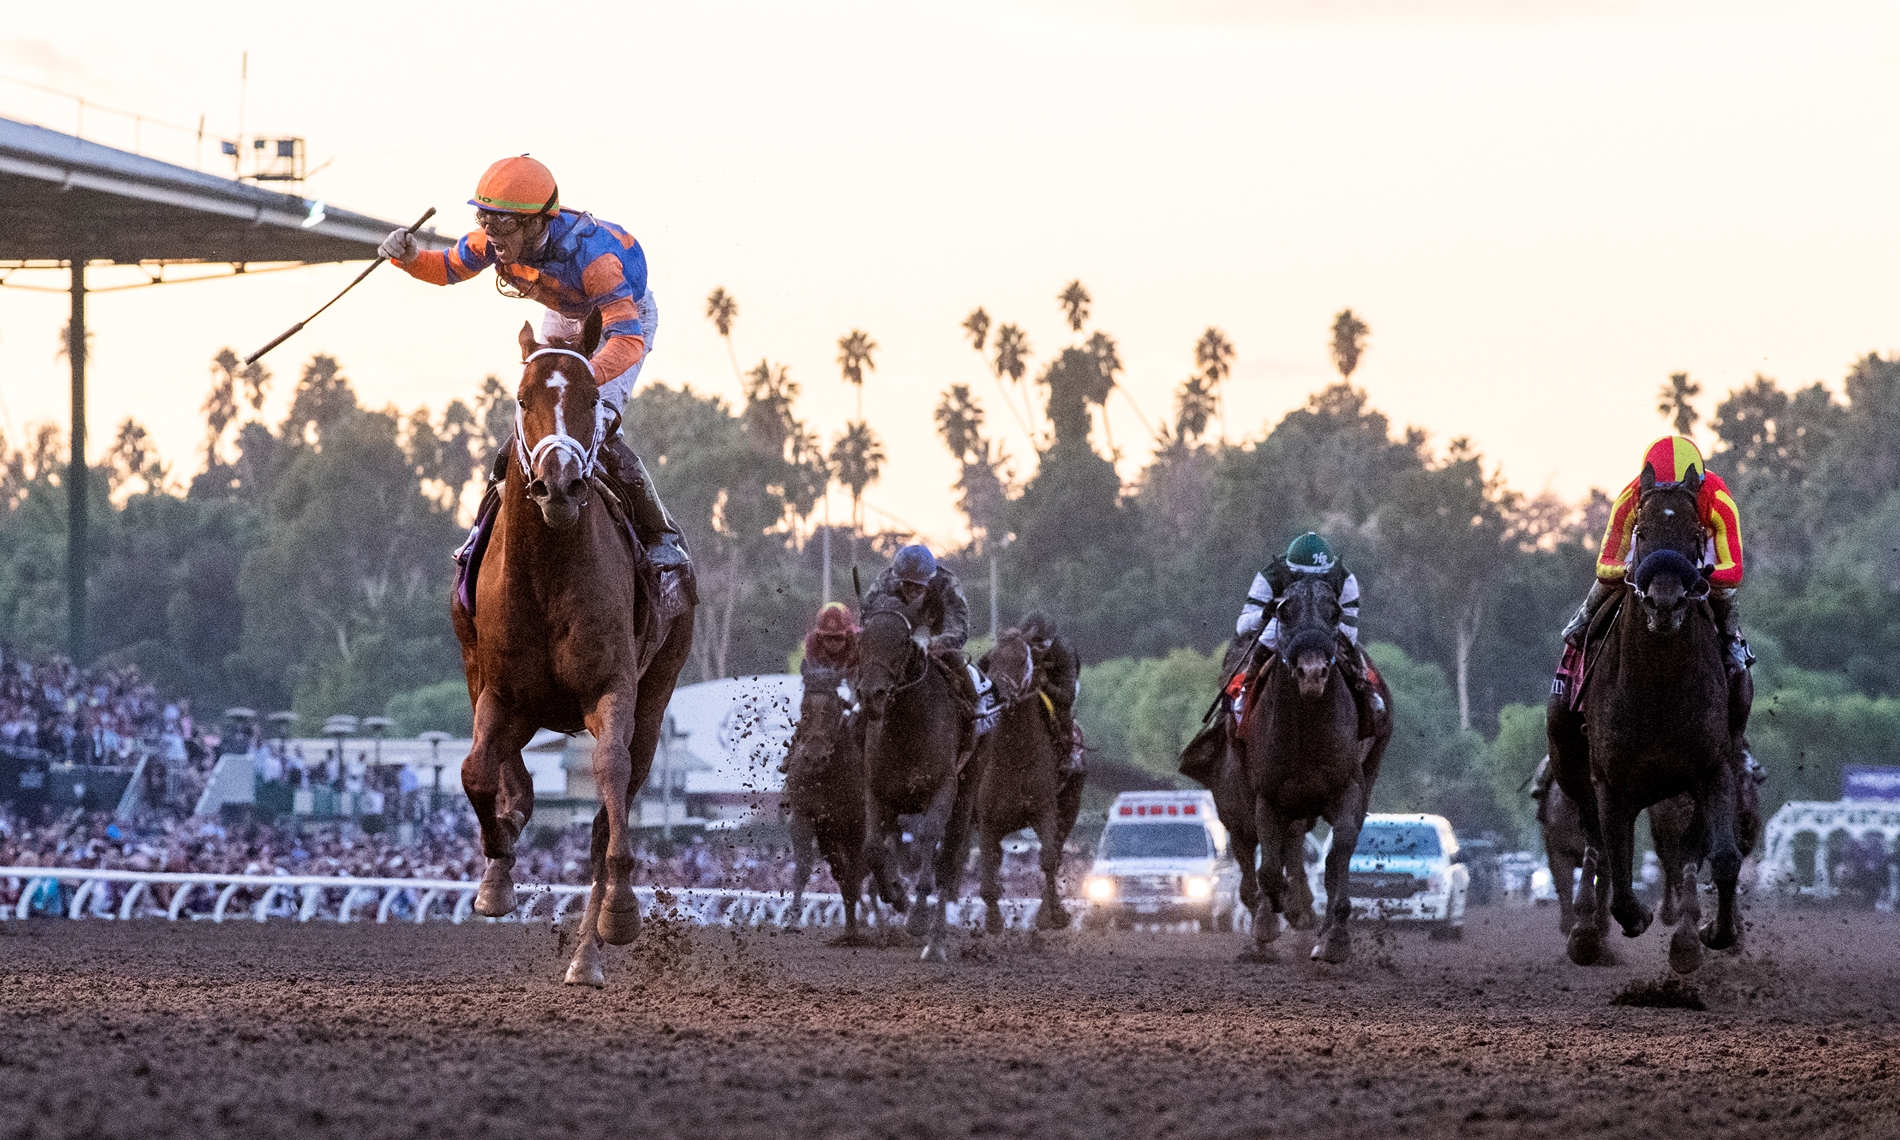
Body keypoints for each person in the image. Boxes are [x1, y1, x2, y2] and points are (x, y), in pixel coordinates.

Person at [379, 155, 688, 570]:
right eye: (485, 218)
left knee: (599, 422)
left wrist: (581, 380)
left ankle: (662, 535)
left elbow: (627, 339)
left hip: (624, 320)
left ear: (536, 222)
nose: (490, 233)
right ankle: (480, 534)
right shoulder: (494, 240)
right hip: (564, 309)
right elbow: (447, 268)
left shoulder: (596, 262)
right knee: (537, 416)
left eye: (501, 223)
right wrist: (410, 256)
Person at [1558, 434, 1748, 676]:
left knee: (1725, 591)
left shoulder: (1718, 499)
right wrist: (1625, 570)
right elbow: (1604, 565)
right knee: (1608, 582)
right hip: (1649, 545)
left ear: (1696, 484)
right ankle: (1582, 622)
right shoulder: (1630, 498)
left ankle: (1732, 642)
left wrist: (1698, 575)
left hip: (1697, 541)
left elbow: (1734, 571)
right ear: (1647, 485)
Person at [1233, 532, 1385, 735]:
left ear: (1329, 572)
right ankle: (1246, 692)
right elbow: (1242, 625)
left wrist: (1319, 633)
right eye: (1302, 577)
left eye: (1320, 578)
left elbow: (1349, 630)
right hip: (1285, 622)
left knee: (1350, 648)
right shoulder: (1270, 576)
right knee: (1265, 641)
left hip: (1326, 624)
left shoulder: (1345, 579)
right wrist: (1264, 613)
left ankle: (1366, 690)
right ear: (1290, 571)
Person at [861, 545, 979, 753]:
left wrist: (938, 642)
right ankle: (858, 713)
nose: (911, 592)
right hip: (896, 641)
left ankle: (974, 712)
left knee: (957, 665)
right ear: (897, 579)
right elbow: (869, 617)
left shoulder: (947, 584)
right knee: (871, 670)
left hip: (936, 637)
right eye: (906, 585)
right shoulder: (885, 581)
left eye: (918, 587)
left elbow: (960, 626)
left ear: (930, 582)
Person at [1017, 612, 1084, 779]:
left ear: (1051, 641)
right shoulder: (1014, 647)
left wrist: (1044, 684)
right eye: (1028, 643)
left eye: (1040, 645)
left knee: (1060, 711)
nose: (1034, 650)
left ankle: (1067, 756)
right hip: (1024, 688)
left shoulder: (1064, 652)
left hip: (1057, 688)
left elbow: (1067, 697)